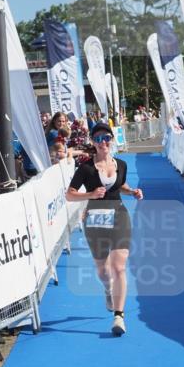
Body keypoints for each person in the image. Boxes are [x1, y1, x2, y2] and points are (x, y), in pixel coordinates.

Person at [65, 123, 143, 336]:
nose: (103, 142)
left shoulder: (121, 165)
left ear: (111, 139)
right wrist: (90, 195)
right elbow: (69, 194)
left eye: (106, 137)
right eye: (98, 139)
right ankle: (108, 289)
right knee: (103, 270)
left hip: (119, 216)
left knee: (119, 267)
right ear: (93, 142)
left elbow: (120, 186)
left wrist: (132, 192)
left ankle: (119, 316)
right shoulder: (86, 168)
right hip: (95, 219)